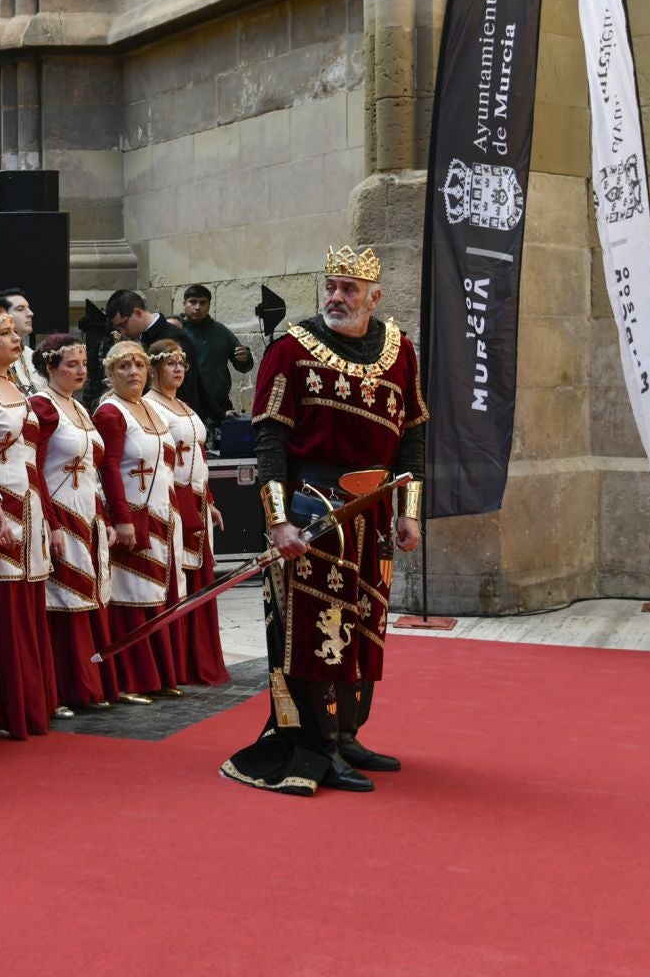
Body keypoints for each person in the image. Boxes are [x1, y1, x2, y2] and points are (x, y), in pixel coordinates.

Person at [220, 246, 426, 797]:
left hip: (375, 513)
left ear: (374, 297)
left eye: (349, 289)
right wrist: (279, 522)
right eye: (330, 287)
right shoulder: (292, 348)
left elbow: (412, 438)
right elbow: (270, 441)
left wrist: (408, 513)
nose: (337, 297)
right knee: (316, 635)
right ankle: (317, 744)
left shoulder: (399, 350)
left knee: (365, 629)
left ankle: (349, 733)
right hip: (314, 509)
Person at [0, 303, 58, 739]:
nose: (14, 338)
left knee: (28, 603)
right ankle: (4, 708)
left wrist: (50, 518)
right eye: (2, 333)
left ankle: (32, 702)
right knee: (4, 607)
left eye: (13, 331)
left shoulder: (18, 388)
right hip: (0, 505)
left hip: (31, 502)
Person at [28, 334, 117, 712]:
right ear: (50, 367)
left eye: (83, 364)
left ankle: (88, 684)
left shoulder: (79, 409)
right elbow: (35, 468)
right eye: (71, 365)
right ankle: (63, 688)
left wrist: (104, 514)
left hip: (87, 509)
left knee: (86, 596)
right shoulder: (44, 408)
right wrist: (50, 521)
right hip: (60, 509)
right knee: (62, 600)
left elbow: (93, 470)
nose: (81, 371)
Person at [93, 340, 180, 705]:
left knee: (156, 595)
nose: (133, 373)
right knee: (132, 596)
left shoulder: (150, 408)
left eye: (139, 366)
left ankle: (157, 674)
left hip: (161, 513)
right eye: (123, 367)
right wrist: (122, 518)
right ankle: (130, 678)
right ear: (110, 374)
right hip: (133, 515)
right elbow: (108, 466)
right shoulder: (112, 413)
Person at [148, 340, 229, 685]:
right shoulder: (150, 407)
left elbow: (200, 457)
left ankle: (200, 657)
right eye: (170, 364)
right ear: (154, 368)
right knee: (178, 580)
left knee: (200, 579)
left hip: (196, 499)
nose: (178, 369)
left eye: (182, 363)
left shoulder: (183, 405)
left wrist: (209, 499)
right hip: (173, 500)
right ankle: (179, 660)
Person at [106, 288, 213, 419]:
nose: (122, 332)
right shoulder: (141, 338)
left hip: (175, 418)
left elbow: (190, 385)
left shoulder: (174, 338)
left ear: (137, 313)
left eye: (123, 325)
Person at [171, 284, 254, 429]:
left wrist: (245, 357)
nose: (198, 307)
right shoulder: (175, 330)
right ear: (184, 304)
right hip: (182, 404)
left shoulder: (221, 332)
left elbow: (243, 364)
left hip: (218, 405)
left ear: (209, 305)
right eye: (193, 302)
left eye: (203, 303)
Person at [0, 288, 45, 396]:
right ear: (1, 316)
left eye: (28, 308)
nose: (30, 313)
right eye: (20, 309)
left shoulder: (34, 356)